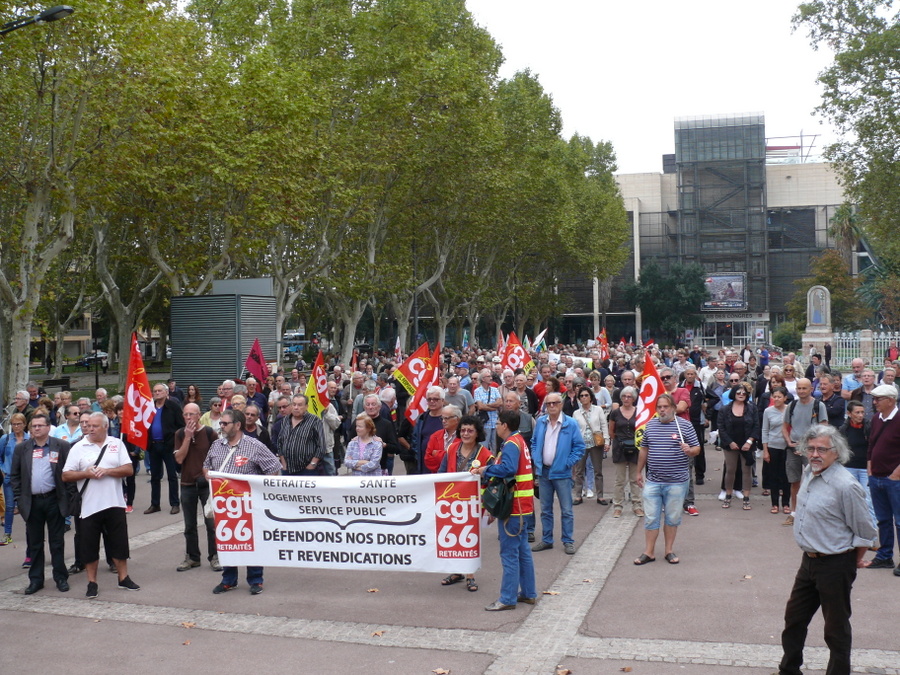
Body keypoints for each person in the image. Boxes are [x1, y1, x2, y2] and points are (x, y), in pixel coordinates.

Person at [775, 425, 876, 675]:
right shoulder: (810, 470)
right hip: (808, 562)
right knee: (794, 620)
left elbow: (865, 531)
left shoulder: (846, 485)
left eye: (822, 449)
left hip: (836, 564)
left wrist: (854, 561)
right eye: (810, 448)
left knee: (835, 628)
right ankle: (789, 670)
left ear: (836, 452)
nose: (815, 454)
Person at [62, 412, 140, 598]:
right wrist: (86, 474)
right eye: (88, 425)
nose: (90, 429)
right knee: (89, 545)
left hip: (114, 502)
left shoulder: (116, 443)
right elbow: (66, 475)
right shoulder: (79, 447)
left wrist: (108, 471)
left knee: (119, 543)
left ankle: (123, 578)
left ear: (106, 426)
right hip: (89, 506)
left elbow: (129, 469)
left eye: (95, 426)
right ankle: (92, 582)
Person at [203, 409, 281, 595]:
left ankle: (256, 580)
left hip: (247, 504)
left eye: (225, 423)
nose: (221, 427)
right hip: (224, 505)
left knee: (250, 541)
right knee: (227, 541)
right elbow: (206, 467)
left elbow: (274, 468)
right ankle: (228, 579)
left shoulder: (254, 445)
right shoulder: (216, 445)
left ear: (237, 425)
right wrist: (212, 478)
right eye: (220, 423)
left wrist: (259, 488)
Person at [471, 410, 536, 611]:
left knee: (509, 553)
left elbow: (508, 469)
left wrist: (485, 470)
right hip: (523, 506)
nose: (496, 425)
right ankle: (528, 593)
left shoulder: (510, 444)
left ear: (505, 425)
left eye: (498, 422)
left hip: (513, 508)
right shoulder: (518, 441)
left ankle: (507, 598)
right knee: (523, 551)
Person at [633, 394, 700, 566]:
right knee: (650, 518)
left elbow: (697, 448)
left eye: (666, 407)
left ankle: (669, 550)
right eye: (659, 407)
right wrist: (638, 471)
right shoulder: (651, 425)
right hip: (653, 481)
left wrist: (689, 451)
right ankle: (649, 552)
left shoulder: (684, 425)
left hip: (677, 482)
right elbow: (644, 449)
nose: (662, 410)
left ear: (673, 408)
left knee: (672, 518)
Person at [10, 414, 73, 594]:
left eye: (40, 426)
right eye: (33, 426)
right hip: (32, 502)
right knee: (35, 543)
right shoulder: (22, 448)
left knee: (57, 542)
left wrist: (67, 498)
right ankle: (36, 580)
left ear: (48, 427)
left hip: (54, 500)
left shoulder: (61, 446)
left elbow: (69, 472)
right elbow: (15, 476)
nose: (36, 429)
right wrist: (19, 499)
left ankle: (61, 577)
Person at [531, 393, 585, 555]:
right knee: (545, 509)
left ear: (561, 404)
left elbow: (579, 447)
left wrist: (567, 463)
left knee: (566, 510)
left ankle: (568, 540)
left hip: (562, 473)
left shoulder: (570, 423)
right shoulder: (541, 422)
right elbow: (534, 443)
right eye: (549, 404)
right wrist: (536, 459)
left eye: (555, 403)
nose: (552, 406)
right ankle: (547, 539)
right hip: (544, 472)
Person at [173, 403, 221, 573]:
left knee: (211, 522)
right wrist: (187, 437)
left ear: (199, 415)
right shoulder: (179, 434)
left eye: (191, 414)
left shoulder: (209, 433)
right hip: (187, 483)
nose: (188, 418)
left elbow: (219, 456)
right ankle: (192, 557)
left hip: (207, 484)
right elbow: (179, 459)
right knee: (189, 525)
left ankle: (215, 556)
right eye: (185, 415)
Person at [863, 384, 900, 572]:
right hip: (876, 476)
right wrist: (870, 467)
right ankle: (885, 556)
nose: (874, 402)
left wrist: (896, 473)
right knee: (883, 519)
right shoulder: (877, 418)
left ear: (891, 400)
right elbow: (871, 444)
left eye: (878, 399)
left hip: (895, 480)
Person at [782, 379, 828, 526]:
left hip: (811, 450)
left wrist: (811, 446)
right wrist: (789, 442)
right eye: (799, 388)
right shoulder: (792, 405)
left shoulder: (818, 406)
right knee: (794, 481)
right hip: (793, 448)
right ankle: (794, 513)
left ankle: (813, 514)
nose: (801, 391)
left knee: (814, 481)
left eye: (804, 388)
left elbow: (824, 428)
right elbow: (785, 426)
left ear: (811, 389)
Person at [145, 382, 186, 515]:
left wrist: (175, 442)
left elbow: (181, 426)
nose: (157, 393)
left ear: (166, 392)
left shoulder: (173, 407)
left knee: (172, 476)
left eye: (159, 391)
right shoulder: (149, 407)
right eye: (155, 391)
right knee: (155, 477)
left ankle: (174, 504)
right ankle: (155, 504)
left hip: (168, 445)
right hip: (153, 445)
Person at [717, 383, 760, 510]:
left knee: (747, 471)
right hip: (730, 444)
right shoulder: (724, 409)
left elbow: (756, 426)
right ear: (733, 394)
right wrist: (730, 442)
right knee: (730, 470)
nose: (741, 394)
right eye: (738, 392)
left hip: (748, 444)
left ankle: (746, 498)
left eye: (744, 393)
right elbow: (721, 427)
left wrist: (750, 441)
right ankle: (728, 495)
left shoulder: (752, 408)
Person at [608, 386, 643, 518]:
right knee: (619, 480)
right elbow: (611, 431)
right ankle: (617, 506)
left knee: (635, 479)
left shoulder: (639, 411)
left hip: (635, 449)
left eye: (629, 396)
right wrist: (619, 441)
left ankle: (637, 505)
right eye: (624, 396)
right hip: (620, 448)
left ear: (634, 399)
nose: (626, 399)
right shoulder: (615, 412)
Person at [571, 385, 608, 505]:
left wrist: (607, 441)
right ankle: (578, 495)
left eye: (586, 395)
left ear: (591, 397)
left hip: (596, 443)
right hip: (581, 444)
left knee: (598, 470)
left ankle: (600, 496)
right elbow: (574, 430)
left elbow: (604, 426)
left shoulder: (598, 410)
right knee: (579, 471)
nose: (584, 397)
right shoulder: (576, 413)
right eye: (581, 396)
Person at [277, 394, 326, 476]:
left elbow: (321, 445)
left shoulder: (315, 421)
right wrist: (284, 464)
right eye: (294, 404)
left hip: (307, 470)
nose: (296, 407)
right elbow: (280, 442)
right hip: (287, 470)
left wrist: (312, 464)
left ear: (306, 406)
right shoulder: (285, 420)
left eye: (299, 405)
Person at [0, 413, 29, 545]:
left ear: (24, 424)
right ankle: (7, 534)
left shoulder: (29, 439)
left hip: (25, 479)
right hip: (10, 478)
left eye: (19, 424)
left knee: (28, 506)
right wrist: (3, 470)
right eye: (14, 424)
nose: (16, 426)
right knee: (10, 507)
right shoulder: (5, 439)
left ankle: (33, 532)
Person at [762, 387, 791, 515]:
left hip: (787, 447)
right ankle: (774, 504)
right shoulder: (768, 411)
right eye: (775, 396)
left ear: (785, 398)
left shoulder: (790, 410)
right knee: (773, 476)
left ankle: (786, 503)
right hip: (773, 446)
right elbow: (765, 431)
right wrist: (765, 450)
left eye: (780, 396)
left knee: (786, 477)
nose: (777, 399)